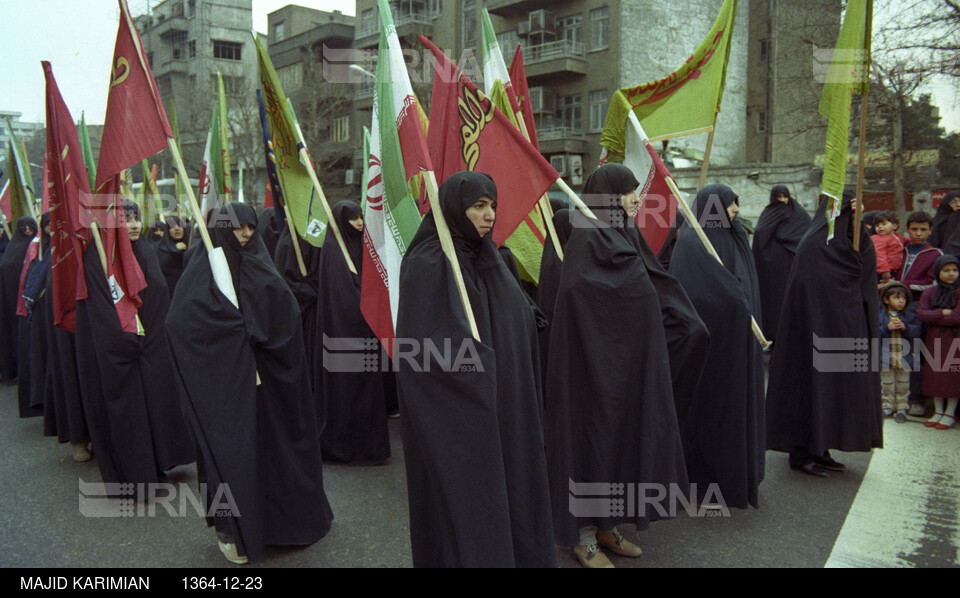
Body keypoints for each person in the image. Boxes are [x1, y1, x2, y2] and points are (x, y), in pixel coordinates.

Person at [396, 171, 556, 568]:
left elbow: (517, 316)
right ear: (454, 208)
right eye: (478, 206)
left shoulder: (491, 258)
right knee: (470, 508)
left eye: (493, 207)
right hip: (461, 418)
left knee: (514, 495)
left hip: (507, 406)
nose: (489, 216)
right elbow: (424, 352)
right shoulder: (429, 262)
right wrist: (474, 371)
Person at [166, 202, 333, 564]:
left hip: (272, 382)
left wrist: (263, 330)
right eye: (237, 227)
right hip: (230, 388)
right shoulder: (203, 268)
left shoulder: (260, 260)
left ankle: (286, 526)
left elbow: (284, 315)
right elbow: (182, 327)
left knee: (278, 452)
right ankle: (236, 531)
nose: (244, 234)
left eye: (250, 227)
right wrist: (232, 335)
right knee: (238, 457)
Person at [547, 164, 687, 568]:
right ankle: (583, 535)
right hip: (588, 369)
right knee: (589, 444)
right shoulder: (587, 236)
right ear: (609, 194)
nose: (636, 198)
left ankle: (607, 525)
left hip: (625, 366)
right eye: (628, 191)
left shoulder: (623, 231)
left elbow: (648, 285)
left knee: (618, 444)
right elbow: (579, 294)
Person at [766, 191, 883, 477]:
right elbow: (814, 287)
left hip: (844, 329)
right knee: (811, 388)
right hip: (813, 334)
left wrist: (858, 224)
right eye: (846, 213)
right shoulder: (815, 243)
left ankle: (823, 447)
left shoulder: (851, 239)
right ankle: (802, 451)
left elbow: (864, 267)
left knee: (836, 390)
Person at [670, 183, 766, 510]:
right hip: (713, 349)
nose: (736, 210)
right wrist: (731, 299)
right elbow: (690, 293)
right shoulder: (693, 242)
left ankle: (737, 474)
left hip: (740, 345)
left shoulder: (734, 238)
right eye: (730, 204)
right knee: (710, 412)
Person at [315, 200, 389, 464]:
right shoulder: (334, 251)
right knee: (348, 388)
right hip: (345, 331)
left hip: (367, 330)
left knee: (367, 388)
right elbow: (342, 297)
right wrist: (362, 298)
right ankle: (344, 446)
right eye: (354, 219)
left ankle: (369, 447)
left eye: (361, 217)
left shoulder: (360, 246)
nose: (359, 223)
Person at [896, 211, 942, 417]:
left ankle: (917, 399)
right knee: (894, 353)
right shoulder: (899, 248)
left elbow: (932, 284)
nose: (918, 233)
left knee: (915, 353)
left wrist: (902, 285)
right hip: (893, 307)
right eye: (914, 229)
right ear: (908, 229)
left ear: (930, 230)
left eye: (923, 229)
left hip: (916, 308)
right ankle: (894, 397)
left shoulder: (934, 254)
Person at [751, 185, 811, 342]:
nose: (783, 200)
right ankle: (776, 338)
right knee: (775, 304)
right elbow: (760, 235)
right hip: (773, 271)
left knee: (793, 303)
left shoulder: (798, 214)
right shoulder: (769, 213)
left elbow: (807, 236)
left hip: (793, 266)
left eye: (785, 197)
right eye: (779, 197)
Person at [916, 255, 960, 429]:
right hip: (934, 339)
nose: (951, 274)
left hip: (954, 339)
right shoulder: (930, 292)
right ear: (937, 271)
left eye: (955, 270)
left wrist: (935, 316)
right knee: (934, 374)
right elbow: (921, 314)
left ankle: (950, 412)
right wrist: (943, 313)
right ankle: (938, 411)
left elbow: (957, 316)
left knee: (951, 374)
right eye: (946, 270)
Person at [0, 216, 37, 382]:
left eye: (31, 228)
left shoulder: (36, 247)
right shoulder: (12, 249)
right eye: (24, 229)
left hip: (29, 300)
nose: (28, 232)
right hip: (12, 300)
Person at [878, 281, 921, 423]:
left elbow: (917, 333)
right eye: (896, 298)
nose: (901, 301)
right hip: (885, 357)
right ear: (886, 299)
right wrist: (886, 328)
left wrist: (906, 328)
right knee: (887, 383)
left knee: (903, 383)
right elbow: (873, 333)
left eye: (903, 298)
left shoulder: (909, 315)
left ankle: (902, 407)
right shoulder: (880, 315)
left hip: (905, 358)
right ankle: (887, 406)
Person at [156, 215, 190, 296]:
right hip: (170, 292)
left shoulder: (191, 246)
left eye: (179, 226)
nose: (177, 228)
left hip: (188, 291)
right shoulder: (161, 248)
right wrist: (175, 250)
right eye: (172, 227)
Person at [872, 210, 907, 287]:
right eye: (877, 225)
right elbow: (879, 255)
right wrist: (884, 270)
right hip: (882, 271)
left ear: (894, 226)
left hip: (892, 270)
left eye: (884, 224)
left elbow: (905, 240)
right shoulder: (879, 239)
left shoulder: (897, 236)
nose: (880, 227)